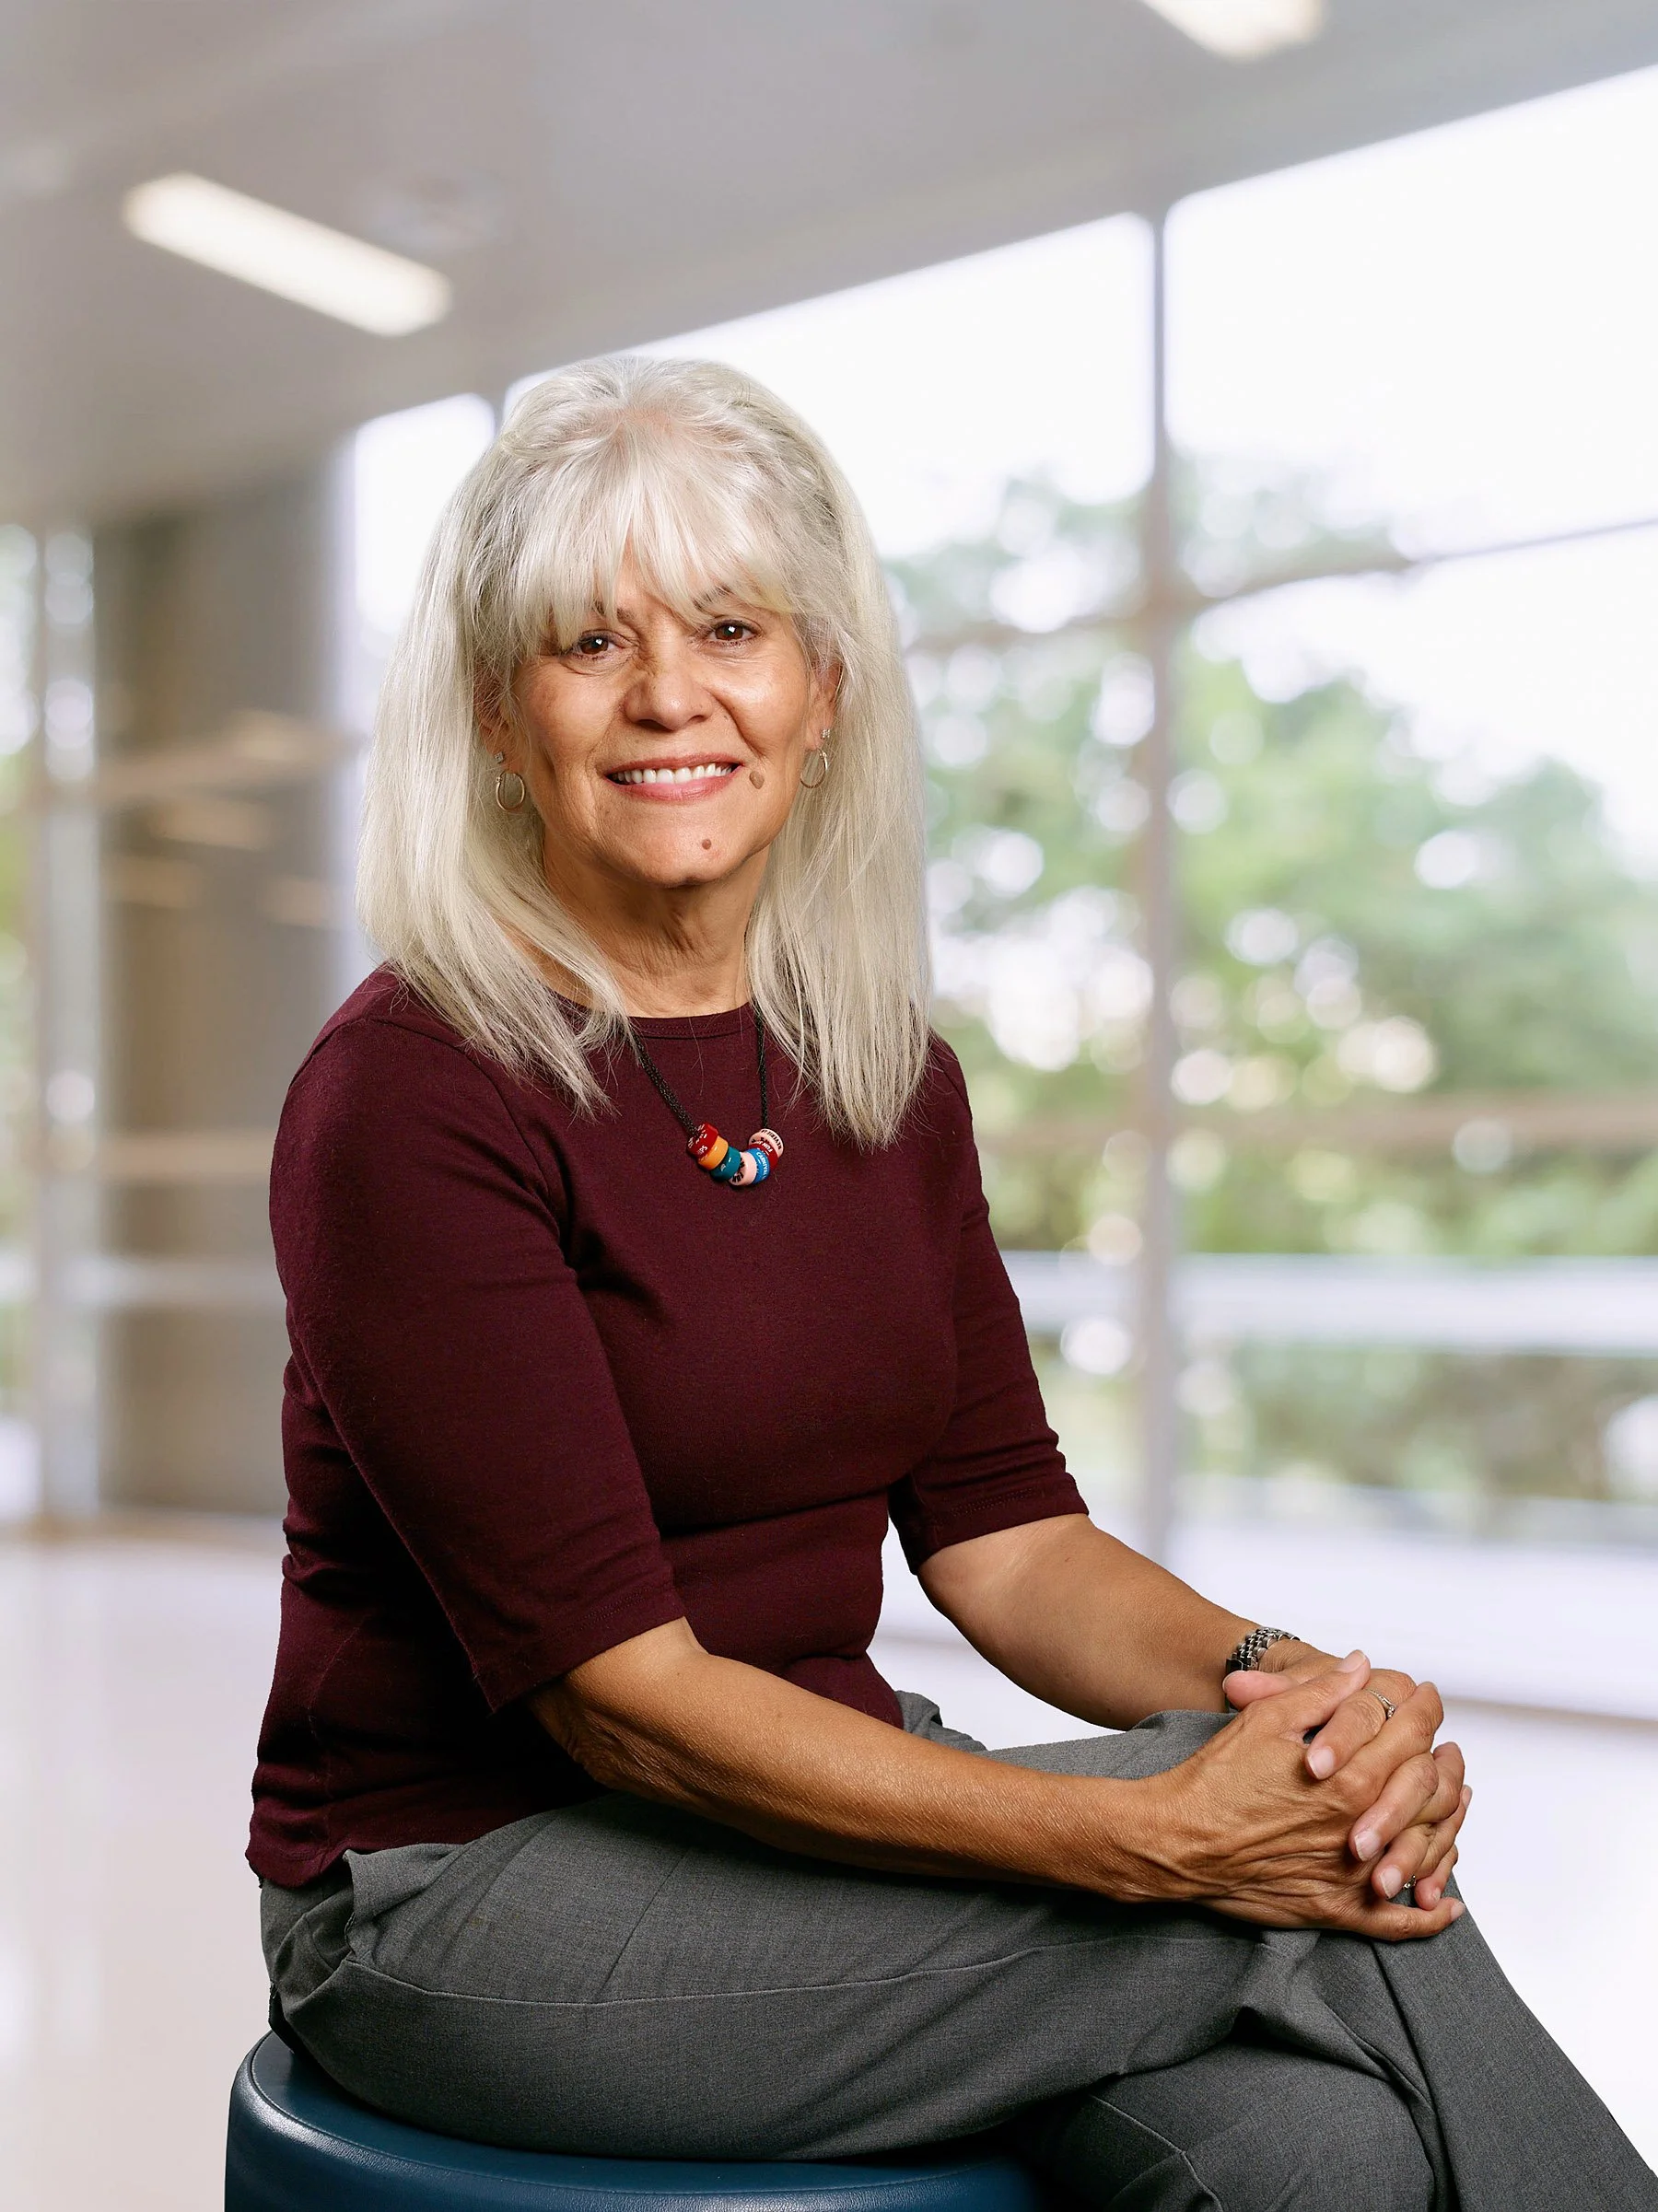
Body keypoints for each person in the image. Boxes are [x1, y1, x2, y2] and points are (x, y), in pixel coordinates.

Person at [252, 355, 1654, 2212]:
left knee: (1319, 2140)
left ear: (823, 687)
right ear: (503, 718)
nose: (669, 693)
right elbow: (619, 1699)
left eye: (731, 628)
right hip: (465, 1890)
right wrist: (1154, 1837)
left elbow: (1011, 1542)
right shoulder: (414, 1092)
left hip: (820, 1810)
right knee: (1302, 1891)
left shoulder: (879, 1073)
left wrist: (1302, 1697)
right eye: (590, 641)